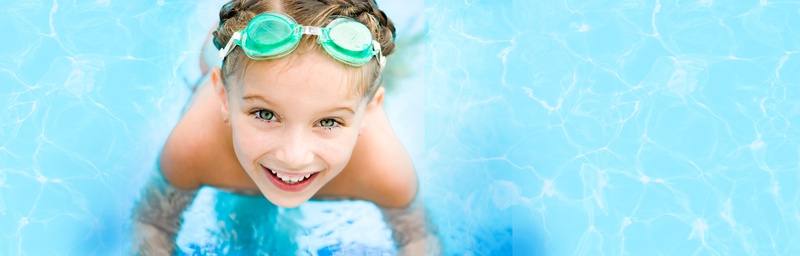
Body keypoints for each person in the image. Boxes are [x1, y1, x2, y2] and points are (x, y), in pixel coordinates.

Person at [130, 0, 439, 254]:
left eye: (329, 121)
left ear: (369, 113)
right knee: (212, 54)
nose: (294, 157)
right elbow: (152, 225)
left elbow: (420, 240)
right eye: (265, 114)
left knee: (387, 68)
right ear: (223, 97)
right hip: (222, 66)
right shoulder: (194, 146)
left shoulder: (384, 170)